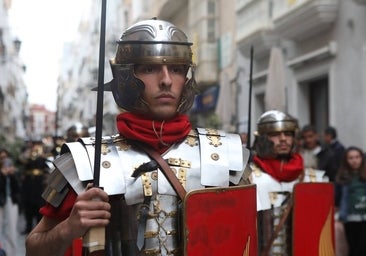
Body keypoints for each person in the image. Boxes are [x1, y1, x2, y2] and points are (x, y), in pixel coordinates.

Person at [25, 19, 252, 256]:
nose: (166, 80)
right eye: (149, 68)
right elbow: (33, 247)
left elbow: (246, 240)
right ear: (125, 77)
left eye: (176, 69)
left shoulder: (227, 155)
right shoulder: (85, 160)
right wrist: (69, 229)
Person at [250, 110, 331, 255]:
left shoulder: (314, 180)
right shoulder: (248, 179)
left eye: (288, 134)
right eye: (275, 134)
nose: (283, 139)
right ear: (262, 138)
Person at [336, 146, 366, 256]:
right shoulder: (343, 177)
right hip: (350, 218)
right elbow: (338, 197)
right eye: (351, 158)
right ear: (346, 160)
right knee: (354, 248)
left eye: (357, 157)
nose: (354, 160)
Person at [18, 141, 50, 234]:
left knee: (39, 204)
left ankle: (38, 227)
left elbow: (47, 166)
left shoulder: (43, 156)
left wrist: (42, 155)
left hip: (39, 183)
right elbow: (20, 161)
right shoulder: (27, 155)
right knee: (28, 205)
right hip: (28, 183)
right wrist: (27, 154)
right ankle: (28, 227)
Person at [0, 148, 20, 256]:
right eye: (2, 158)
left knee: (12, 229)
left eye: (5, 157)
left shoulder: (13, 171)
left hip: (11, 200)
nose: (4, 160)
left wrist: (12, 175)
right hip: (1, 201)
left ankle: (11, 253)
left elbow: (18, 187)